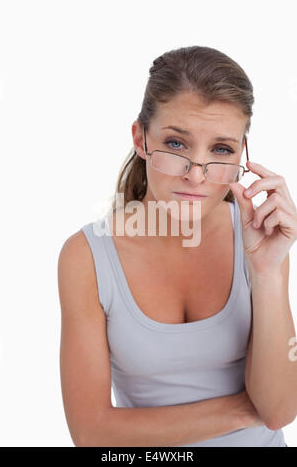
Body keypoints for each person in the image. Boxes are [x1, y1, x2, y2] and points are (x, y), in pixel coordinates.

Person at [58, 46, 296, 447]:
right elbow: (92, 433)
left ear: (242, 154)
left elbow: (278, 409)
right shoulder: (87, 257)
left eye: (221, 150)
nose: (196, 175)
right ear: (141, 138)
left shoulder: (259, 236)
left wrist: (268, 272)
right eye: (176, 144)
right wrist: (242, 410)